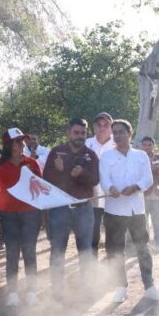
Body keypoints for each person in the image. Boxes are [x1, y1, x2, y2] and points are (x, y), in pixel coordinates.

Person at [100, 119, 159, 303]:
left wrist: (135, 187)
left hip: (137, 210)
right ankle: (120, 287)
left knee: (143, 248)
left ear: (130, 134)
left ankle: (149, 286)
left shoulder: (141, 155)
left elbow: (148, 180)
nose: (117, 135)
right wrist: (110, 189)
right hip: (114, 210)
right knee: (115, 250)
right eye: (114, 132)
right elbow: (104, 179)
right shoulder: (106, 156)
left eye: (121, 132)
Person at [43, 118, 99, 298]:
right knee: (58, 250)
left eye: (83, 133)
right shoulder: (56, 152)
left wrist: (81, 173)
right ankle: (57, 291)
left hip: (84, 207)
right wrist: (61, 170)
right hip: (60, 209)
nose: (80, 136)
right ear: (68, 132)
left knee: (86, 251)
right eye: (76, 132)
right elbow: (47, 180)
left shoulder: (91, 155)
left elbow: (95, 180)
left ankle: (86, 289)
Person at [0, 127, 42, 308]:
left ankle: (32, 292)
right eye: (18, 141)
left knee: (29, 253)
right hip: (8, 215)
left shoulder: (32, 164)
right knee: (12, 254)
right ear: (8, 145)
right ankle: (13, 293)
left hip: (30, 215)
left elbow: (41, 190)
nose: (22, 144)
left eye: (22, 141)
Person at [85, 111, 116, 256]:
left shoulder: (118, 144)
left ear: (111, 127)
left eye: (106, 125)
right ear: (94, 127)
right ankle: (92, 263)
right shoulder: (86, 144)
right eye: (99, 125)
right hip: (93, 194)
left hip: (114, 194)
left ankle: (112, 262)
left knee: (113, 229)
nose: (102, 128)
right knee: (93, 228)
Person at [140, 135, 159, 254]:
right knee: (142, 224)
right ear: (142, 146)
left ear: (153, 146)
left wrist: (157, 170)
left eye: (150, 144)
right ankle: (144, 248)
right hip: (143, 196)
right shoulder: (139, 158)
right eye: (145, 144)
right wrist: (149, 169)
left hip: (157, 195)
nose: (147, 147)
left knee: (158, 224)